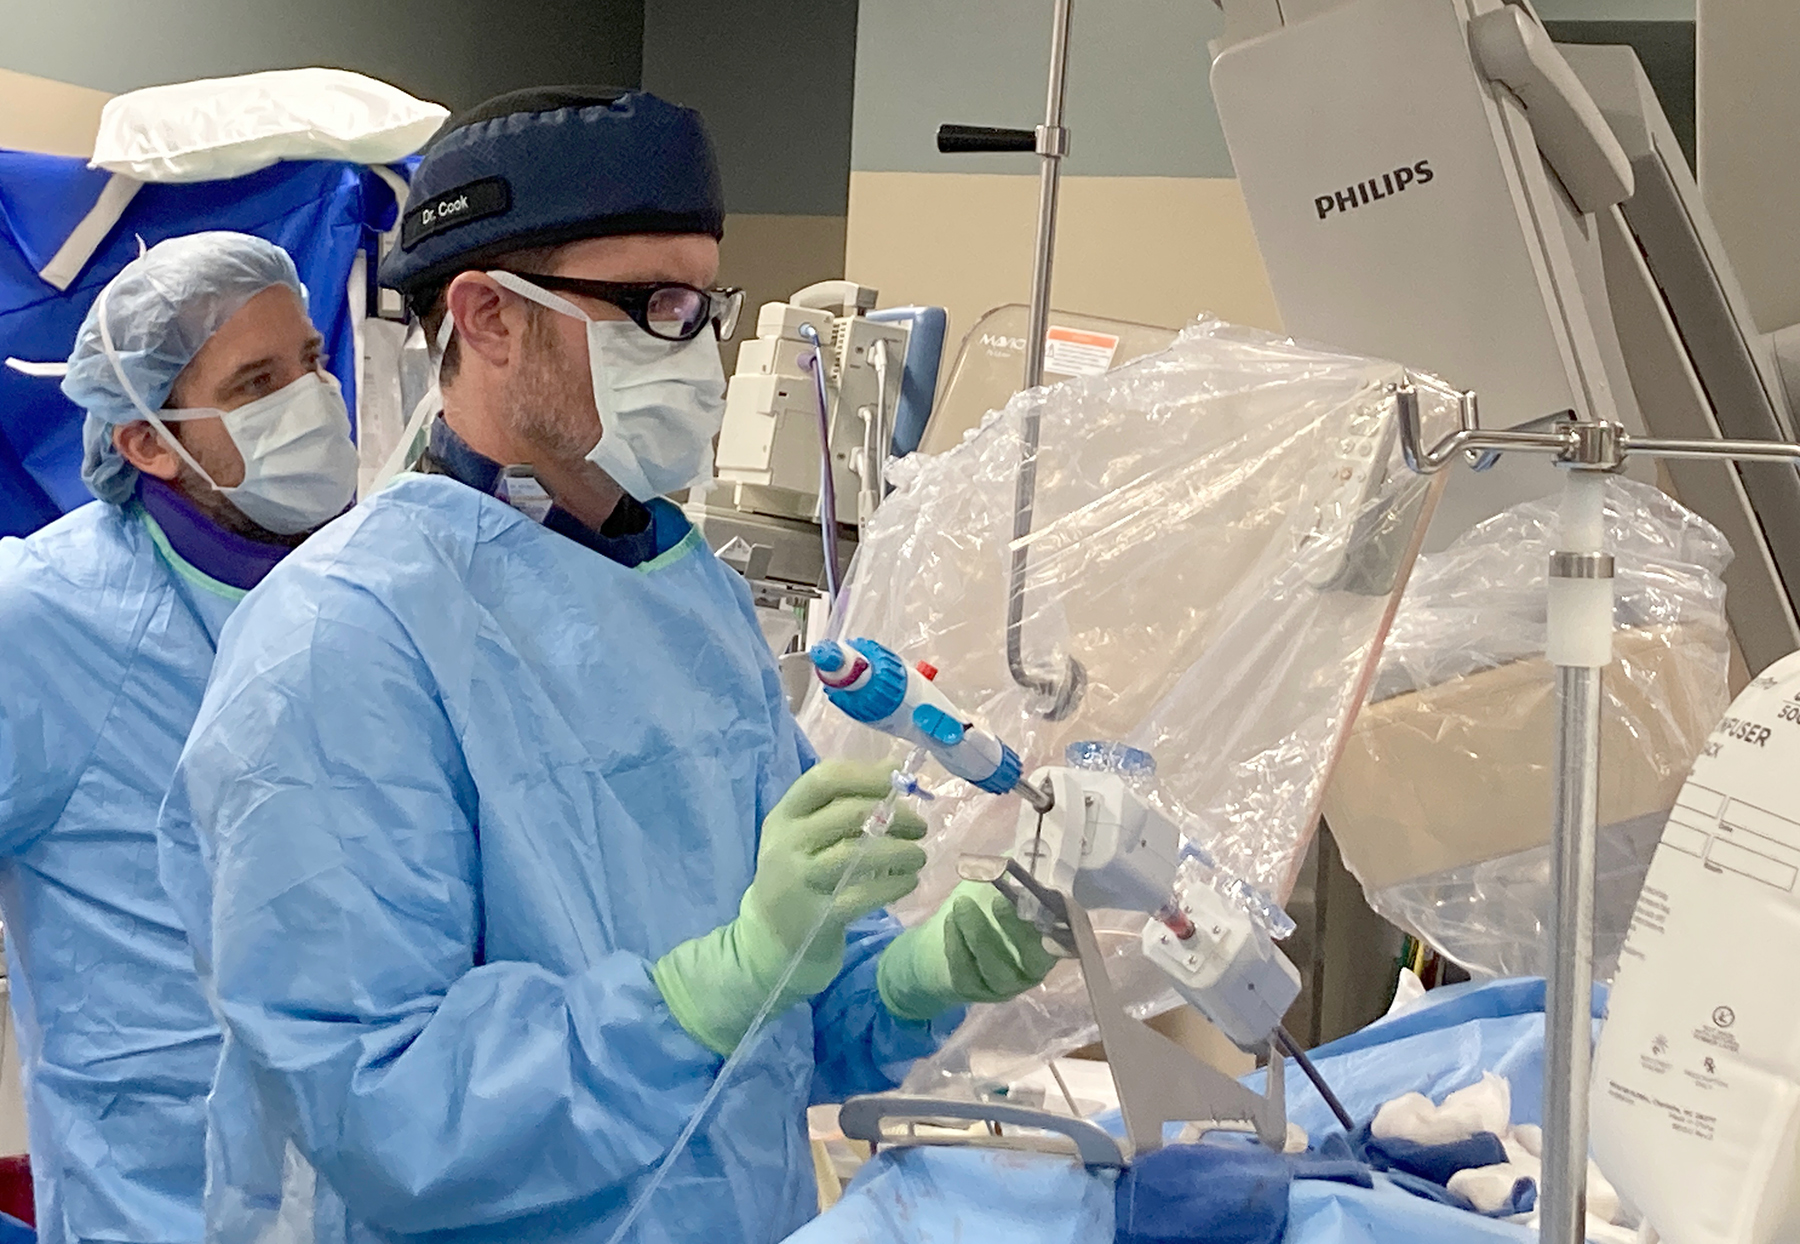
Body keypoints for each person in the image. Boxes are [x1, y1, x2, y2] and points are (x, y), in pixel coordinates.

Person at [155, 88, 1057, 1244]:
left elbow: (777, 1014)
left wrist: (906, 975)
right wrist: (710, 984)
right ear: (487, 315)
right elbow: (380, 1108)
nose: (699, 351)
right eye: (655, 307)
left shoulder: (686, 591)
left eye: (707, 303)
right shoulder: (342, 638)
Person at [0, 231, 357, 1244]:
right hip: (156, 1202)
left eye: (311, 362)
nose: (310, 401)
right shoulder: (45, 620)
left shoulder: (369, 585)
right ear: (147, 442)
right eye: (257, 383)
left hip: (377, 1182)